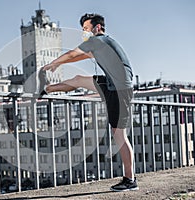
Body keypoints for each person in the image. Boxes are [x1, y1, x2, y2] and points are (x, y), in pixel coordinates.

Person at [40, 13, 138, 192]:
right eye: (83, 29)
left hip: (119, 89)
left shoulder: (100, 40)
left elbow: (72, 54)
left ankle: (130, 180)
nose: (84, 32)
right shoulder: (100, 46)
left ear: (97, 27)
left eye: (86, 28)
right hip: (111, 83)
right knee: (78, 79)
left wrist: (53, 64)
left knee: (119, 136)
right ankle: (47, 89)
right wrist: (60, 64)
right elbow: (79, 57)